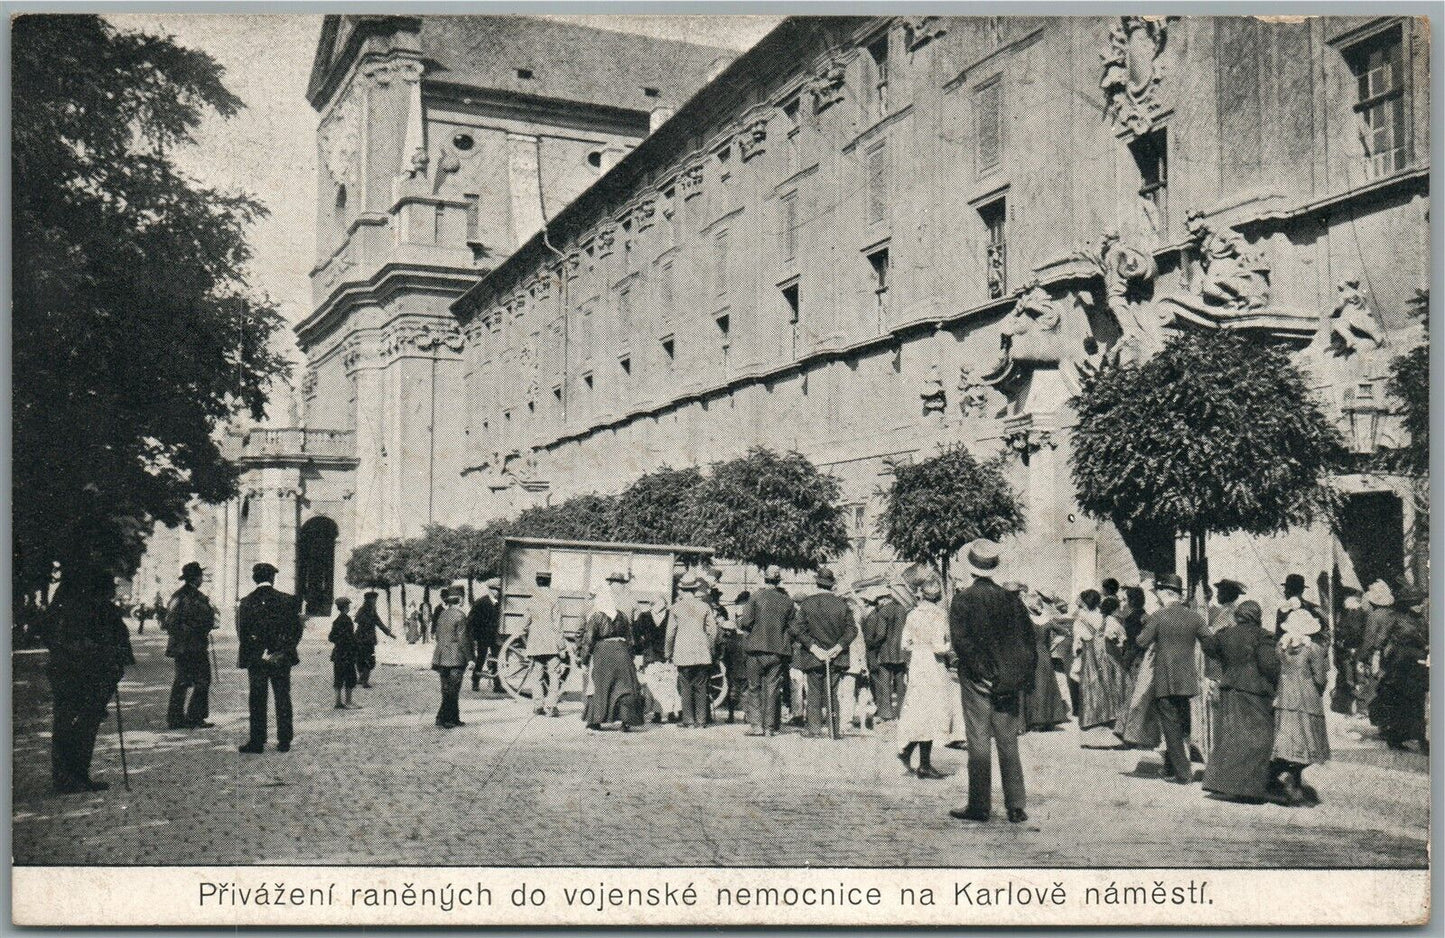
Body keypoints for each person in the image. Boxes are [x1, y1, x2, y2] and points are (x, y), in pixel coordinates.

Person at [948, 539, 1036, 824]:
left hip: (978, 678)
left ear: (971, 569)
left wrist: (983, 671)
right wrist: (1018, 676)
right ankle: (1016, 805)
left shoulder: (963, 599)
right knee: (1008, 741)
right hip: (1008, 681)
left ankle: (979, 805)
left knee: (978, 740)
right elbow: (1028, 641)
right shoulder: (1012, 599)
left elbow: (963, 643)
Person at [47, 570, 135, 793]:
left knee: (65, 725)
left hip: (64, 674)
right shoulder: (105, 611)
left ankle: (65, 777)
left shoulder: (65, 606)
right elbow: (122, 647)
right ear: (105, 590)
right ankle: (75, 777)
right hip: (89, 677)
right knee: (84, 726)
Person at [1199, 600, 1280, 801]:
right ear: (1257, 617)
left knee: (1230, 738)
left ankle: (1220, 783)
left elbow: (1208, 646)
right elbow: (1268, 665)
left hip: (1229, 689)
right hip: (1255, 691)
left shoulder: (1227, 634)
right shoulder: (1264, 636)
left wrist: (1221, 632)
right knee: (1260, 739)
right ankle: (1249, 788)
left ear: (1238, 616)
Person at [1136, 572, 1210, 784]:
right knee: (1183, 723)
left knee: (1170, 725)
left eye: (1159, 593)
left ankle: (1182, 773)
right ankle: (1171, 766)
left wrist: (1146, 623)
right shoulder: (1195, 617)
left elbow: (1141, 641)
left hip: (1165, 678)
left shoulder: (1159, 616)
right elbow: (1209, 642)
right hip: (1187, 679)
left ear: (1166, 593)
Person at [237, 562, 303, 754]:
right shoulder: (288, 600)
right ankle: (284, 741)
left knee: (257, 698)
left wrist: (258, 651)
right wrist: (282, 650)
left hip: (257, 658)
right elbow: (296, 630)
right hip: (280, 657)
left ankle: (257, 742)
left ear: (254, 579)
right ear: (273, 578)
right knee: (282, 697)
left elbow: (242, 633)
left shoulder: (246, 602)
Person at [1272, 603, 1330, 804]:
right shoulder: (1313, 648)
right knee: (1308, 740)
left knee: (1289, 740)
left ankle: (1291, 781)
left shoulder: (1281, 647)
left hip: (1285, 696)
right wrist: (1318, 691)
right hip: (1307, 697)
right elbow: (1320, 678)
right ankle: (1293, 782)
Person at [789, 567, 857, 738]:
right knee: (833, 692)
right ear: (831, 585)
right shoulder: (842, 604)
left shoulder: (807, 604)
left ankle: (814, 729)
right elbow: (852, 630)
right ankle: (834, 728)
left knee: (814, 691)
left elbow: (796, 629)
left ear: (816, 583)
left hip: (813, 656)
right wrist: (838, 647)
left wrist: (813, 648)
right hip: (836, 656)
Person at [896, 578, 953, 779]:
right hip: (932, 664)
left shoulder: (912, 614)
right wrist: (950, 649)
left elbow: (904, 644)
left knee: (919, 710)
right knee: (931, 712)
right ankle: (924, 764)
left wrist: (917, 648)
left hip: (917, 663)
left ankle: (908, 749)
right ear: (938, 596)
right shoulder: (938, 615)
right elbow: (939, 646)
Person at [580, 570, 643, 731]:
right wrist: (631, 655)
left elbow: (588, 639)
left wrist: (584, 659)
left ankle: (596, 720)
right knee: (624, 686)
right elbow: (630, 638)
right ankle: (625, 721)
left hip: (603, 653)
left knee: (600, 685)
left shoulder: (596, 617)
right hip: (622, 652)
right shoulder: (622, 616)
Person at [1369, 588, 1429, 752]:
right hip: (1398, 664)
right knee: (1399, 701)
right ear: (1407, 605)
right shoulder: (1395, 619)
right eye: (1415, 603)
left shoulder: (1422, 620)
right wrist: (1375, 658)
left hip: (1418, 664)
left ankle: (1420, 738)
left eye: (1420, 603)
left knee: (1417, 701)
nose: (1419, 606)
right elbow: (1380, 640)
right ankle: (1395, 738)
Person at [739, 565, 794, 737]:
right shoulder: (787, 601)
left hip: (755, 649)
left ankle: (756, 726)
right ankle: (770, 727)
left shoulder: (755, 598)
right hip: (777, 650)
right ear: (778, 580)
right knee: (772, 689)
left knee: (754, 687)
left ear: (765, 579)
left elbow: (746, 623)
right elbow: (792, 627)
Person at [163, 561, 217, 730]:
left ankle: (175, 718)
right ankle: (195, 716)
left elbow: (168, 622)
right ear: (197, 578)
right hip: (195, 645)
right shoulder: (197, 598)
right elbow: (207, 620)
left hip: (180, 646)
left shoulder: (176, 596)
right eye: (201, 576)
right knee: (202, 680)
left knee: (181, 681)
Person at [666, 573, 718, 728]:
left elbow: (670, 633)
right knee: (702, 686)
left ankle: (688, 720)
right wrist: (710, 648)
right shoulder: (704, 606)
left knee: (686, 685)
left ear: (682, 590)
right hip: (702, 652)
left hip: (683, 652)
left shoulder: (675, 608)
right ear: (695, 590)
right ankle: (701, 721)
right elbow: (712, 631)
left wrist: (668, 652)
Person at [1072, 590, 1126, 732]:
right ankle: (1107, 715)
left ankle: (1091, 718)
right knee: (1105, 683)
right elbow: (1116, 635)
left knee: (1089, 683)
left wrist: (1076, 651)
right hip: (1103, 651)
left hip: (1088, 651)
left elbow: (1078, 638)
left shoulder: (1080, 618)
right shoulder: (1103, 617)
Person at [1020, 589, 1070, 731]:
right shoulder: (1047, 620)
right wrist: (1053, 646)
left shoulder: (1027, 619)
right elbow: (1065, 632)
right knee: (1046, 685)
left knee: (1034, 686)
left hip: (1031, 654)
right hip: (1045, 654)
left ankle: (1034, 720)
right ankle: (1047, 718)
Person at [522, 570, 565, 718]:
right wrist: (562, 646)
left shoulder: (531, 600)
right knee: (554, 675)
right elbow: (558, 625)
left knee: (536, 676)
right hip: (552, 643)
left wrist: (527, 633)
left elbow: (525, 624)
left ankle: (538, 705)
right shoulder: (554, 599)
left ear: (536, 582)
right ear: (549, 582)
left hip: (535, 644)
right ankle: (551, 707)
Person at [864, 587, 909, 722]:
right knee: (900, 684)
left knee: (885, 683)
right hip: (901, 653)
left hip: (885, 653)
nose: (878, 603)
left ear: (884, 598)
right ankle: (902, 712)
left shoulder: (883, 612)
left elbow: (881, 634)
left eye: (878, 600)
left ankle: (886, 712)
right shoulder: (903, 609)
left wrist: (871, 644)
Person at [431, 587, 472, 728]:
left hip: (442, 657)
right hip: (456, 658)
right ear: (460, 599)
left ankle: (454, 718)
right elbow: (464, 639)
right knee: (453, 690)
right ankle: (443, 719)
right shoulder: (460, 616)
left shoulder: (442, 614)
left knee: (446, 689)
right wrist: (471, 658)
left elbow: (437, 636)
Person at [633, 595, 678, 723]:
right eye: (655, 603)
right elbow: (636, 633)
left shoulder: (671, 616)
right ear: (651, 604)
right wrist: (641, 648)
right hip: (651, 655)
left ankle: (670, 713)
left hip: (668, 655)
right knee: (654, 685)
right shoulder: (644, 616)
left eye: (661, 603)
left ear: (665, 604)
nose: (658, 606)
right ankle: (657, 713)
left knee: (669, 684)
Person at [1331, 588, 1366, 715]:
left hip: (1352, 650)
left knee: (1353, 679)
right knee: (1352, 678)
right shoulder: (1354, 612)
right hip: (1351, 650)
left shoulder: (1355, 614)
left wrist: (1344, 642)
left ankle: (1357, 708)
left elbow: (1355, 632)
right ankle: (1353, 707)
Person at [353, 591, 393, 688]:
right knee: (360, 659)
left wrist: (389, 633)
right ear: (368, 600)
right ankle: (362, 679)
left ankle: (364, 679)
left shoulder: (372, 610)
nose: (375, 601)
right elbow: (356, 619)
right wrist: (368, 620)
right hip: (361, 638)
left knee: (369, 659)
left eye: (375, 599)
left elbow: (379, 622)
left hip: (369, 639)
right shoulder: (362, 610)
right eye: (374, 599)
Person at [468, 578, 501, 692]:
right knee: (481, 658)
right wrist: (474, 638)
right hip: (483, 635)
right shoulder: (481, 602)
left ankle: (497, 684)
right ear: (490, 590)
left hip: (496, 636)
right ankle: (475, 681)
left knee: (497, 658)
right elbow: (472, 621)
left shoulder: (501, 603)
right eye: (495, 590)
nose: (497, 592)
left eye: (499, 590)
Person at [328, 597, 359, 710]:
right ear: (346, 607)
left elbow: (331, 637)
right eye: (348, 606)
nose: (349, 608)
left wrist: (339, 641)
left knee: (338, 676)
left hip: (338, 653)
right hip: (347, 653)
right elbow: (351, 637)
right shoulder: (347, 620)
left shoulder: (336, 621)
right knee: (350, 677)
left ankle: (338, 702)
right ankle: (348, 702)